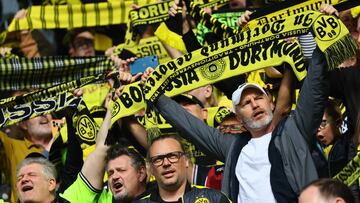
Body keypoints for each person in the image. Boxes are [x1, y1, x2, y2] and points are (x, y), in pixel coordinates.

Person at [142, 4, 339, 202]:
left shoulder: (293, 130)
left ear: (271, 104)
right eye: (246, 103)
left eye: (258, 98)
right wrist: (154, 94)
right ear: (238, 117)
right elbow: (188, 125)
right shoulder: (232, 146)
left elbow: (314, 88)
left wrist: (317, 32)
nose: (254, 104)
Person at [61, 92, 148, 203]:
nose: (114, 177)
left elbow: (156, 151)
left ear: (141, 173)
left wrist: (121, 108)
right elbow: (103, 148)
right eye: (110, 173)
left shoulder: (160, 190)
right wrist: (111, 110)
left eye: (121, 170)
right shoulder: (103, 199)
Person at [134, 134, 231, 203]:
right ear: (150, 168)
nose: (166, 163)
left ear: (186, 161)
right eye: (158, 159)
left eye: (172, 156)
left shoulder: (214, 199)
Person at [0, 114, 54, 203]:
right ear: (23, 124)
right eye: (37, 113)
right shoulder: (12, 146)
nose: (44, 115)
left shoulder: (68, 139)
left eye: (48, 110)